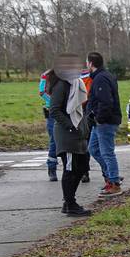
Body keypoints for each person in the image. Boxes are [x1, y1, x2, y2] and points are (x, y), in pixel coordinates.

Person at [49, 55, 92, 217]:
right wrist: (71, 127)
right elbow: (54, 110)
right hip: (67, 134)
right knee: (70, 169)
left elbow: (80, 108)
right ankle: (70, 204)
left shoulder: (76, 84)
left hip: (79, 132)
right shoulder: (61, 85)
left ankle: (69, 202)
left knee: (82, 166)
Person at [86, 52, 122, 196]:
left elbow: (106, 101)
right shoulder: (103, 76)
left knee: (107, 152)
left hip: (105, 122)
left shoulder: (101, 78)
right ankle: (111, 175)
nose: (86, 65)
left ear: (91, 63)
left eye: (86, 62)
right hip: (99, 122)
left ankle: (114, 183)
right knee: (93, 149)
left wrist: (100, 118)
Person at [38, 69, 59, 182]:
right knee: (54, 140)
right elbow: (42, 92)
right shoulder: (46, 76)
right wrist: (55, 101)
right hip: (52, 111)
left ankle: (73, 170)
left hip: (65, 111)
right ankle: (52, 168)